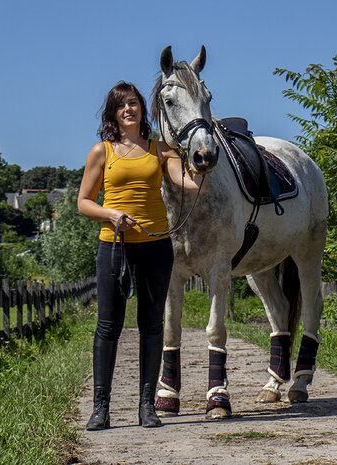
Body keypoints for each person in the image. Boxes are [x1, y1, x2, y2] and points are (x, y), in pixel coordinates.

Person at [78, 81, 207, 429]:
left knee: (151, 326)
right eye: (122, 106)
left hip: (155, 245)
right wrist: (111, 215)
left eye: (134, 104)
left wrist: (203, 165)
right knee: (108, 326)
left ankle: (147, 407)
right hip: (114, 245)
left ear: (142, 109)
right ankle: (100, 408)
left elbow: (190, 183)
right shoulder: (101, 152)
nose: (129, 110)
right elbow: (84, 202)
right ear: (113, 113)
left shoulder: (160, 149)